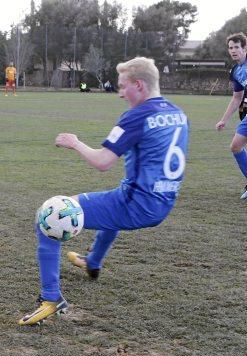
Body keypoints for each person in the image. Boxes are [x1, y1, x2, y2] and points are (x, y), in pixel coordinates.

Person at [19, 57, 189, 326]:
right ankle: (93, 262)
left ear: (139, 85)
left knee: (50, 214)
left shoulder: (137, 115)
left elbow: (102, 162)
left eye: (123, 87)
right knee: (110, 204)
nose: (120, 93)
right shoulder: (179, 114)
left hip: (137, 204)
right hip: (162, 202)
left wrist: (74, 143)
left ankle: (51, 299)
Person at [216, 33, 247, 200]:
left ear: (245, 48)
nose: (233, 50)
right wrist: (224, 119)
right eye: (231, 48)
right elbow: (237, 97)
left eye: (237, 47)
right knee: (236, 146)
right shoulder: (236, 71)